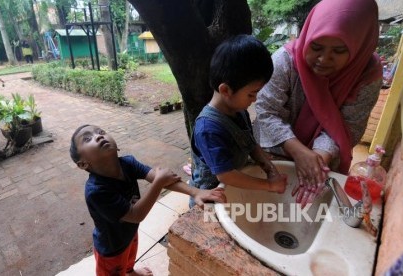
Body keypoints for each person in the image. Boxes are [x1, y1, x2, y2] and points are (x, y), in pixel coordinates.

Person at [253, 0, 383, 207]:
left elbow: (350, 127)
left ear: (359, 46)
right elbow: (267, 112)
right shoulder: (284, 61)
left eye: (339, 51)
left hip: (324, 156)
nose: (324, 59)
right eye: (316, 46)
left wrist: (317, 161)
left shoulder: (367, 75)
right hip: (274, 149)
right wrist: (298, 150)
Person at [70, 124, 226, 276]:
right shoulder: (96, 191)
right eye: (87, 138)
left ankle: (130, 271)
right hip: (112, 247)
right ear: (83, 164)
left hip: (130, 232)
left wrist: (196, 192)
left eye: (101, 131)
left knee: (130, 256)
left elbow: (158, 177)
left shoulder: (127, 163)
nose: (98, 136)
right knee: (115, 269)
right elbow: (136, 214)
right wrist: (158, 183)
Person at [189, 35, 287, 208]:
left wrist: (269, 168)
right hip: (211, 196)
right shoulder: (208, 129)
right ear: (226, 90)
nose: (255, 99)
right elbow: (226, 175)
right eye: (251, 94)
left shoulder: (239, 111)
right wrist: (270, 185)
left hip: (235, 184)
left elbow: (251, 145)